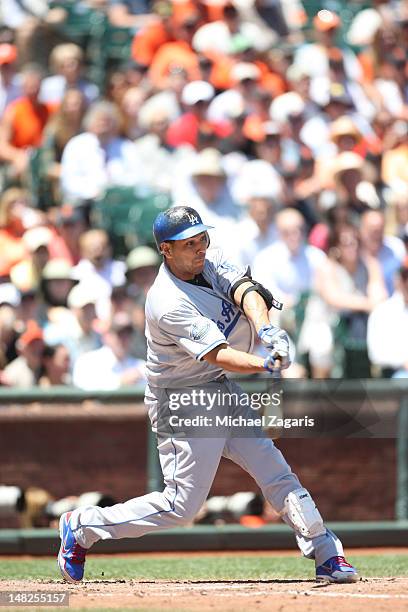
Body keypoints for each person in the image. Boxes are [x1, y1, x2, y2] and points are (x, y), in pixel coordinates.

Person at [57, 206, 358, 585]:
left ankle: (327, 552)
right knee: (181, 508)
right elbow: (220, 354)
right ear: (166, 249)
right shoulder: (166, 300)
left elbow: (247, 290)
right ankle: (82, 525)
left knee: (275, 470)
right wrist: (266, 364)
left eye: (202, 239)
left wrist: (266, 329)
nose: (200, 249)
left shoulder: (210, 259)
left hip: (219, 387)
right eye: (189, 244)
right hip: (182, 399)